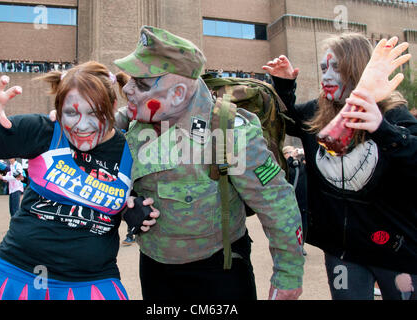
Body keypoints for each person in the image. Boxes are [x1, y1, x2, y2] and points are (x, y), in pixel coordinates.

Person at [113, 25, 304, 300]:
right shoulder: (131, 122)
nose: (128, 89)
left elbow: (277, 201)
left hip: (218, 269)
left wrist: (288, 275)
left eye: (141, 83)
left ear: (178, 93)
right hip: (155, 266)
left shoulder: (230, 131)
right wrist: (127, 202)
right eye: (131, 79)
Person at [0, 61, 160, 300]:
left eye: (95, 113)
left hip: (92, 281)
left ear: (112, 107)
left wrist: (137, 213)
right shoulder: (47, 130)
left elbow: (135, 202)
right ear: (58, 110)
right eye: (71, 112)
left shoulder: (131, 152)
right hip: (19, 274)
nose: (82, 125)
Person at [263, 33, 417, 300]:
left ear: (357, 70)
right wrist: (284, 84)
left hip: (394, 250)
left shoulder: (392, 114)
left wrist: (383, 130)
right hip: (342, 251)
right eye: (324, 68)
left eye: (337, 68)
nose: (327, 76)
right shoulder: (319, 112)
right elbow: (287, 120)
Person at [282, 146, 308, 251]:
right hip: (290, 202)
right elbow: (282, 172)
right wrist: (290, 159)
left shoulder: (300, 166)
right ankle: (292, 246)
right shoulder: (285, 166)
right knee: (291, 225)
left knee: (304, 225)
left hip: (302, 201)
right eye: (289, 152)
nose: (294, 153)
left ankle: (301, 244)